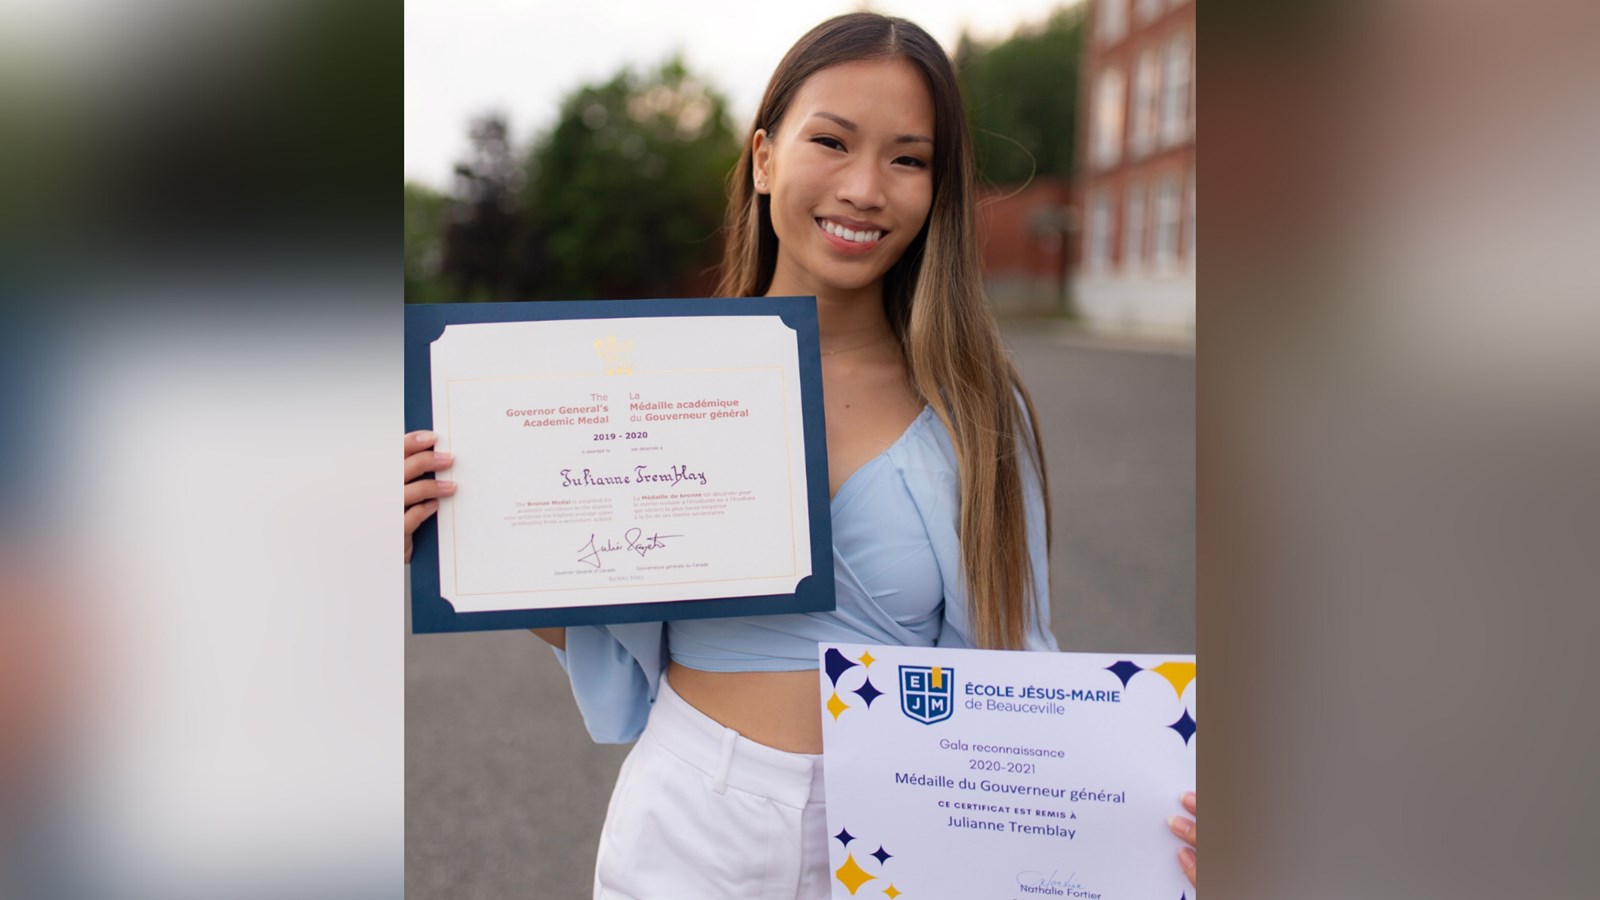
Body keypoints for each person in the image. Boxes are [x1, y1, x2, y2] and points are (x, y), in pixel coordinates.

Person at [404, 12, 1196, 898]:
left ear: (938, 189)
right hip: (688, 824)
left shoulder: (975, 403)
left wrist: (1156, 822)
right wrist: (452, 534)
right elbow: (598, 627)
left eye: (908, 158)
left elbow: (1016, 675)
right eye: (832, 141)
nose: (865, 188)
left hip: (904, 834)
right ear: (765, 156)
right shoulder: (655, 378)